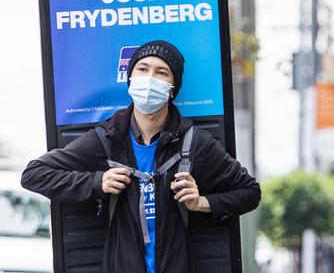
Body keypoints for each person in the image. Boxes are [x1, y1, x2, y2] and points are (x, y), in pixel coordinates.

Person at [22, 40, 261, 273]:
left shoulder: (194, 143)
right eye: (142, 69)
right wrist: (96, 182)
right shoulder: (107, 138)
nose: (149, 79)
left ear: (172, 88)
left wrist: (202, 203)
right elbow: (33, 174)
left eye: (162, 72)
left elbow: (250, 192)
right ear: (130, 80)